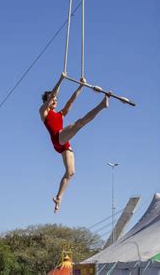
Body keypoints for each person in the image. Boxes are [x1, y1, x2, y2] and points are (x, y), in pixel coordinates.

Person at [39, 72, 109, 213]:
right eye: (52, 99)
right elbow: (53, 95)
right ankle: (101, 105)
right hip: (58, 138)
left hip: (64, 145)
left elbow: (70, 102)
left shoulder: (60, 114)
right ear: (47, 101)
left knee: (71, 172)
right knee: (79, 123)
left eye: (56, 100)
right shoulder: (44, 112)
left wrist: (80, 87)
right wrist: (60, 79)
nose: (55, 101)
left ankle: (58, 197)